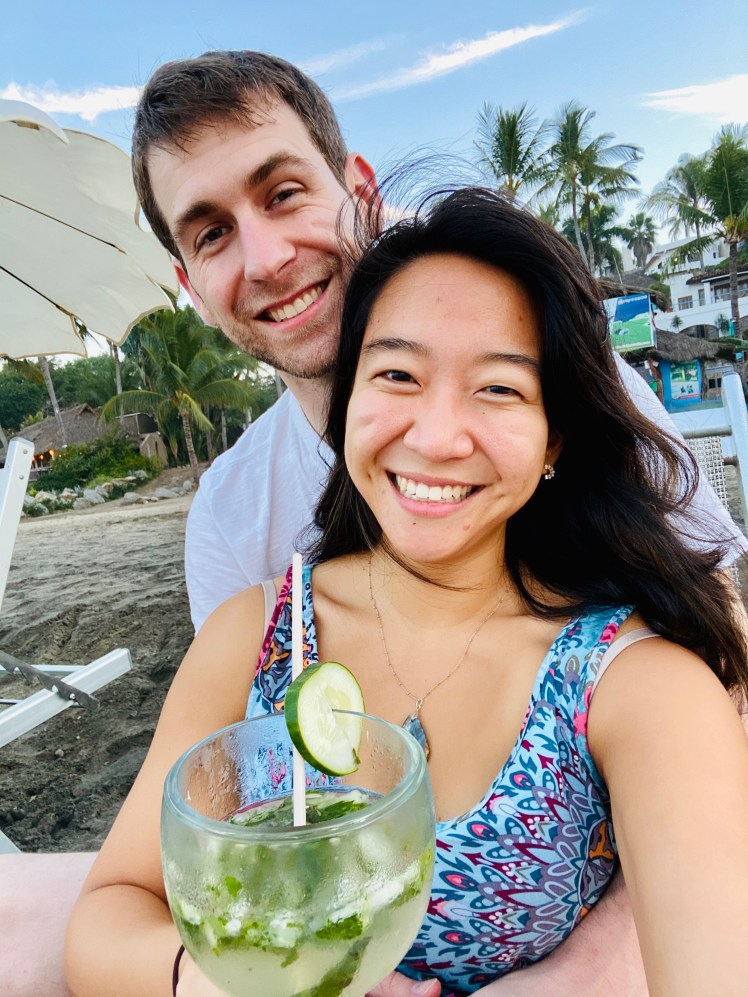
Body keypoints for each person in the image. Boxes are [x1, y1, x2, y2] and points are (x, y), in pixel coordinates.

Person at [7, 49, 744, 997]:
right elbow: (203, 816)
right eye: (213, 231)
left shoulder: (628, 671)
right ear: (189, 280)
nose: (265, 258)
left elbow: (718, 680)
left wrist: (597, 965)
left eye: (282, 193)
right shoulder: (238, 550)